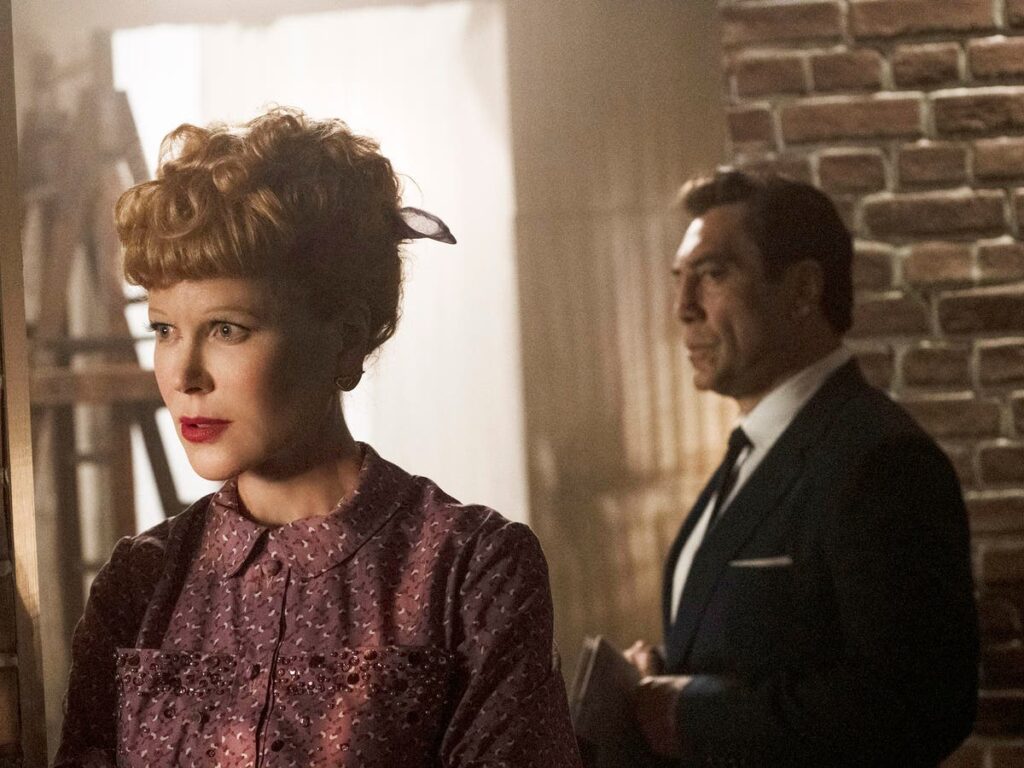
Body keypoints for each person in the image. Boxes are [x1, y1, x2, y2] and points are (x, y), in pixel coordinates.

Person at [54, 108, 582, 768]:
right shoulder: (139, 584)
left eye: (227, 329)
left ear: (347, 339)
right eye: (164, 330)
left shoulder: (469, 571)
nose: (184, 376)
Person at [625, 169, 978, 767]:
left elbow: (918, 705)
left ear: (802, 290)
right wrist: (667, 679)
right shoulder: (756, 448)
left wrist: (689, 711)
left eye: (713, 274)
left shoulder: (881, 460)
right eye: (679, 279)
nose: (683, 309)